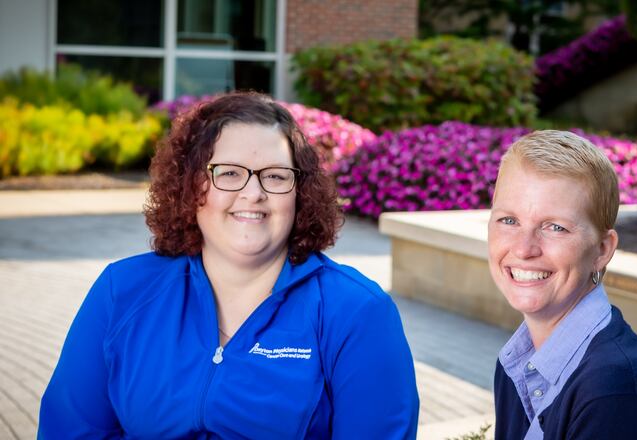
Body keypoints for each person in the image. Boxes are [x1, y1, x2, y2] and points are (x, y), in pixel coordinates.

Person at [39, 92, 419, 438]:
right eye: (229, 173)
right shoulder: (122, 291)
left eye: (275, 176)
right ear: (191, 187)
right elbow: (69, 430)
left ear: (299, 193)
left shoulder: (356, 313)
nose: (253, 193)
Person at [489, 130, 637, 439]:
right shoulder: (516, 365)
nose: (523, 248)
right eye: (509, 220)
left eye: (555, 227)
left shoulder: (613, 391)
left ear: (602, 250)